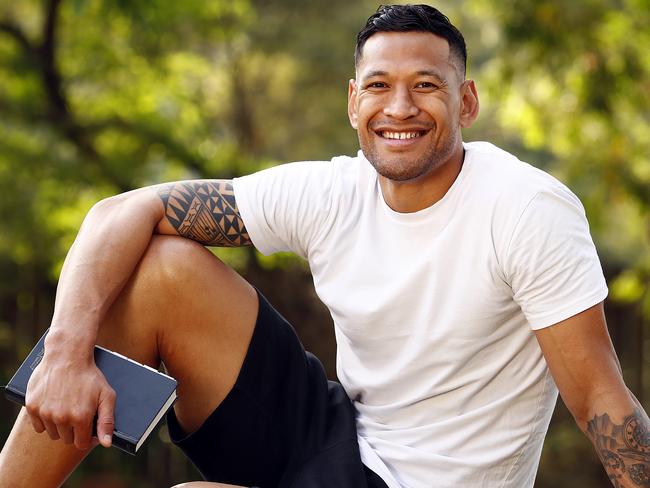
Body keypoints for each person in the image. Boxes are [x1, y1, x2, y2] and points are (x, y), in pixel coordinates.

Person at [0, 4, 648, 488]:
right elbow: (123, 210)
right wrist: (64, 355)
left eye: (426, 85)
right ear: (352, 100)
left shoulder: (525, 208)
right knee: (163, 265)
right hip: (335, 436)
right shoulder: (333, 191)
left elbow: (600, 400)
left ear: (466, 101)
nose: (399, 107)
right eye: (378, 85)